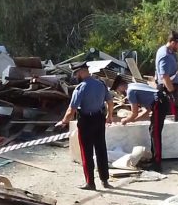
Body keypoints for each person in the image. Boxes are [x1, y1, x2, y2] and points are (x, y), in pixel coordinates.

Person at [56, 62, 114, 190]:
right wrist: (110, 116)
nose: (76, 76)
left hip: (86, 121)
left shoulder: (81, 88)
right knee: (101, 149)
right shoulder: (101, 84)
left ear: (81, 72)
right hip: (99, 119)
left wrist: (64, 122)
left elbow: (72, 110)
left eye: (76, 73)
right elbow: (110, 101)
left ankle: (90, 183)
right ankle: (105, 181)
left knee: (86, 152)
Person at [110, 75, 169, 172]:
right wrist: (135, 119)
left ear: (121, 86)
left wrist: (126, 120)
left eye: (117, 90)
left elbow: (134, 112)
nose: (119, 92)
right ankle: (154, 159)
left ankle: (157, 164)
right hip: (160, 102)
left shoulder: (130, 92)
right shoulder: (134, 85)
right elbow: (147, 110)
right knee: (153, 131)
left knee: (155, 133)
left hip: (159, 103)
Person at [155, 31, 178, 121]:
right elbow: (164, 76)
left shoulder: (170, 52)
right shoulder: (165, 55)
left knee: (173, 117)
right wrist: (172, 93)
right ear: (173, 42)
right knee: (169, 119)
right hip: (167, 90)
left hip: (170, 88)